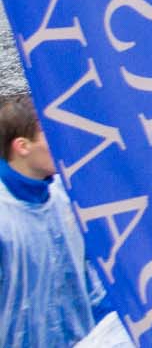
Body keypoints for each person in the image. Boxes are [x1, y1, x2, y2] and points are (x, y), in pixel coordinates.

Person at [0, 94, 105, 345]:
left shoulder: (65, 197)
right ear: (22, 146)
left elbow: (94, 277)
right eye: (49, 134)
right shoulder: (5, 218)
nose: (61, 143)